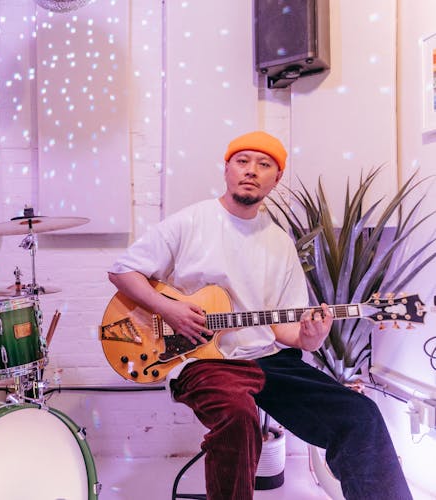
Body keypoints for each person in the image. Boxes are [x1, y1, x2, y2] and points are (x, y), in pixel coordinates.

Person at [108, 131, 411, 499]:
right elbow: (122, 272)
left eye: (264, 164)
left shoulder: (280, 244)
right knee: (238, 417)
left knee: (361, 416)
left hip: (269, 360)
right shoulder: (191, 222)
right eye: (243, 161)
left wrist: (308, 338)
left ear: (276, 178)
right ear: (227, 169)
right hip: (202, 360)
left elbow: (284, 330)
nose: (251, 171)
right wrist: (169, 309)